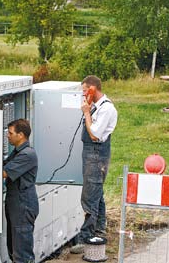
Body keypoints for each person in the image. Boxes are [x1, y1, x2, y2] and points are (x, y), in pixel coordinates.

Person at [70, 75, 118, 254]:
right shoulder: (96, 106)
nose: (83, 95)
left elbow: (95, 134)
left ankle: (86, 238)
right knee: (97, 194)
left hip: (96, 156)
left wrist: (86, 112)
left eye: (84, 91)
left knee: (89, 197)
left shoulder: (106, 109)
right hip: (91, 154)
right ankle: (99, 230)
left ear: (93, 89)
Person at [3, 119, 39, 263]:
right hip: (16, 204)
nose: (8, 136)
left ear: (21, 135)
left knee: (22, 253)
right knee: (13, 249)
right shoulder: (17, 152)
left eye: (10, 133)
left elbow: (4, 172)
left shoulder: (27, 154)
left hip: (23, 206)